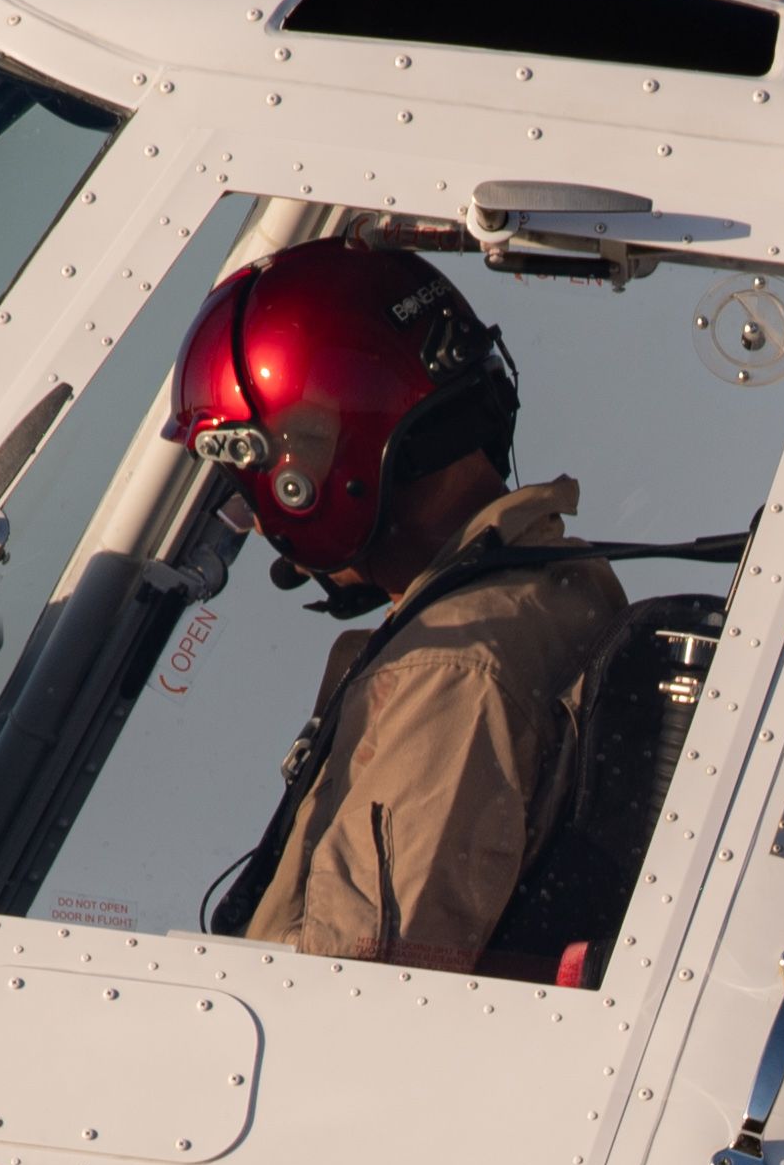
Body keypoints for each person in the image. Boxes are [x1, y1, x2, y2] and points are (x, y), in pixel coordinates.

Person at [165, 235, 630, 973]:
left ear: (305, 470)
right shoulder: (557, 591)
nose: (253, 521)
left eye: (243, 480)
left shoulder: (447, 671)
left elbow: (345, 1001)